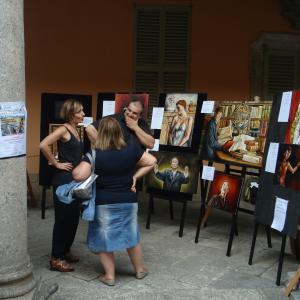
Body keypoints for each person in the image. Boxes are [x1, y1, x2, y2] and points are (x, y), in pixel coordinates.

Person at [72, 116, 156, 286]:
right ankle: (139, 270)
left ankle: (110, 276)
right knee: (131, 235)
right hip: (128, 200)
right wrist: (134, 177)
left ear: (101, 133)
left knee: (103, 237)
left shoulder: (94, 154)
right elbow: (152, 162)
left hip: (104, 203)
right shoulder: (132, 149)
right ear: (119, 132)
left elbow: (77, 175)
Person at [39, 99, 85, 272]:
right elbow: (43, 145)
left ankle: (65, 251)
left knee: (72, 218)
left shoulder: (76, 129)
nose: (83, 114)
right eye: (80, 111)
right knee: (63, 219)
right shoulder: (63, 129)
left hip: (73, 179)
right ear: (71, 114)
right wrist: (56, 163)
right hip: (63, 180)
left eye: (82, 111)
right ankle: (56, 257)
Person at [85, 99, 154, 149]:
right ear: (126, 109)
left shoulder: (142, 123)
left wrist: (135, 128)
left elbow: (150, 145)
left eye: (134, 113)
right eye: (129, 110)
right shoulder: (114, 119)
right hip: (116, 162)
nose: (130, 114)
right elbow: (89, 129)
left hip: (135, 164)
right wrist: (104, 149)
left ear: (140, 116)